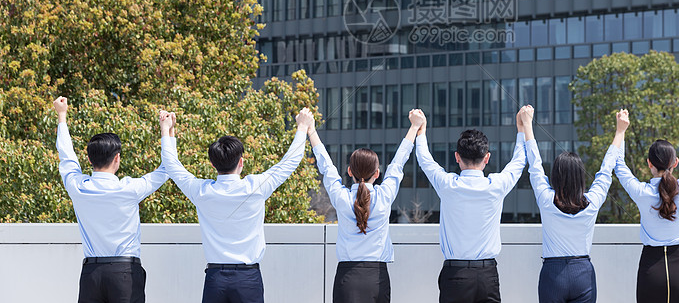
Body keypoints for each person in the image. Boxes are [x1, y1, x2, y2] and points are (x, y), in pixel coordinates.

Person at [158, 106, 314, 303]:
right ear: (241, 162)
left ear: (213, 165)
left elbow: (172, 165)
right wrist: (302, 127)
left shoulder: (202, 191)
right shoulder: (256, 187)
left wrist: (167, 131)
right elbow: (290, 161)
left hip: (215, 279)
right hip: (248, 278)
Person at [55, 96, 170, 303]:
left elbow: (67, 156)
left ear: (89, 159)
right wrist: (167, 131)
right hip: (125, 273)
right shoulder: (129, 188)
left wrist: (62, 116)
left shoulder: (79, 187)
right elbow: (166, 169)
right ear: (117, 158)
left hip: (92, 273)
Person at [412, 106, 526, 303]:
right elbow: (519, 161)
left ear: (457, 157)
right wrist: (522, 129)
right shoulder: (496, 185)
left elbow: (425, 160)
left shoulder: (448, 185)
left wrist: (421, 130)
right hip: (487, 275)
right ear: (487, 158)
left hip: (455, 274)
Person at [307, 109, 423, 303]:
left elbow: (326, 167)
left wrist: (311, 129)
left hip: (347, 278)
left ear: (349, 171)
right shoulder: (384, 195)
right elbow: (398, 163)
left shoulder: (342, 197)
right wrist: (414, 126)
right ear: (377, 173)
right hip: (377, 278)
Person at [521, 104, 625, 303]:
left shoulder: (546, 199)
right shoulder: (592, 201)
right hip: (583, 272)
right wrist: (620, 131)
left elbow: (535, 166)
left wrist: (528, 124)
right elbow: (606, 169)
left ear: (555, 176)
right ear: (580, 177)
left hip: (553, 274)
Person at [614, 103, 679, 303]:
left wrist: (621, 131)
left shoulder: (642, 192)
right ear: (675, 163)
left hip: (651, 270)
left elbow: (618, 164)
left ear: (649, 163)